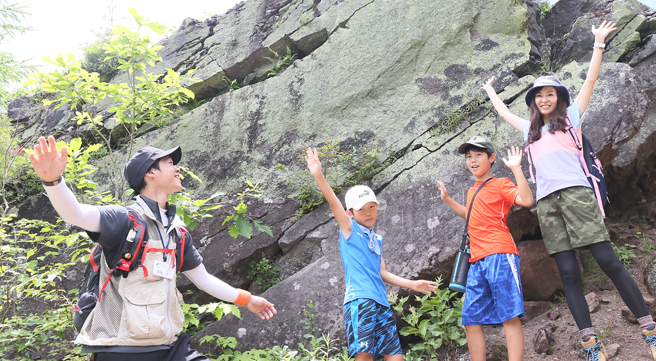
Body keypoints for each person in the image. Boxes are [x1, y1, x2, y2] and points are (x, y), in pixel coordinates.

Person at [480, 20, 656, 361]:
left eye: (549, 94)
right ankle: (590, 345)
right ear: (533, 102)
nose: (544, 99)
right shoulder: (529, 129)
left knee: (608, 262)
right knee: (569, 273)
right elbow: (501, 113)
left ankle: (652, 334)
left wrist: (598, 43)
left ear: (559, 99)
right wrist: (490, 92)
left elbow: (591, 80)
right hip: (547, 204)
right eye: (538, 96)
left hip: (577, 195)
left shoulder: (572, 118)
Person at [28, 136, 277, 361]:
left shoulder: (177, 233)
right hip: (121, 350)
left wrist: (247, 299)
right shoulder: (123, 220)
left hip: (170, 347)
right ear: (150, 172)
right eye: (169, 162)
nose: (177, 168)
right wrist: (53, 181)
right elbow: (77, 215)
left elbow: (203, 280)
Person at [304, 147, 436, 361]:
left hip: (381, 302)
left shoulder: (376, 239)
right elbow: (333, 203)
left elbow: (382, 272)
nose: (368, 212)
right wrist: (318, 175)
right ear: (350, 213)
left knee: (396, 357)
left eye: (372, 207)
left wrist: (413, 285)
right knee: (364, 356)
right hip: (360, 301)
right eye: (362, 209)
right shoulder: (349, 229)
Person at [436, 137, 534, 361]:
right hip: (477, 260)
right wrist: (448, 200)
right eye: (469, 157)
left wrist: (516, 169)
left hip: (500, 254)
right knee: (470, 320)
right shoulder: (472, 191)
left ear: (491, 158)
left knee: (509, 316)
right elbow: (471, 216)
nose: (472, 160)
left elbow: (526, 200)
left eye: (478, 155)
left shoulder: (501, 184)